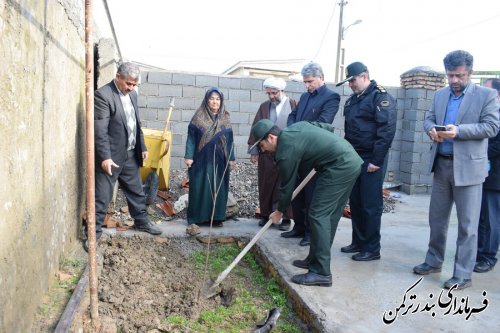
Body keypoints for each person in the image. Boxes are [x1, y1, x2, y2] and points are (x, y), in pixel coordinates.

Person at [413, 50, 500, 290]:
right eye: (450, 75)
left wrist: (458, 131)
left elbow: (492, 127)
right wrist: (431, 129)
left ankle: (463, 274)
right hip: (441, 165)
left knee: (467, 225)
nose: (453, 81)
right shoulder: (440, 95)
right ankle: (433, 261)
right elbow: (428, 119)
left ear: (470, 73)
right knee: (437, 219)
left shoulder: (487, 95)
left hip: (470, 169)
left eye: (459, 76)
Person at [250, 119, 362, 286]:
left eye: (261, 145)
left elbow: (286, 186)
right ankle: (315, 259)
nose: (262, 150)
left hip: (339, 166)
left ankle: (321, 272)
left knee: (318, 215)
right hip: (349, 160)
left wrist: (279, 211)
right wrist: (321, 151)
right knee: (329, 216)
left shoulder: (285, 150)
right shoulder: (294, 129)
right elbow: (326, 127)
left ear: (271, 138)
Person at [92, 62, 162, 250]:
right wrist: (105, 157)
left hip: (130, 153)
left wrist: (142, 146)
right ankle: (94, 233)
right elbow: (100, 131)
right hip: (111, 157)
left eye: (134, 84)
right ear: (118, 77)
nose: (131, 88)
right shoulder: (103, 96)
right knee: (102, 195)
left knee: (136, 191)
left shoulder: (133, 95)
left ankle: (142, 222)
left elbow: (135, 124)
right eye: (128, 83)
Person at [335, 62, 397, 261]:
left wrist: (377, 160)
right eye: (349, 81)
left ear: (365, 76)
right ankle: (358, 242)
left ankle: (371, 248)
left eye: (352, 80)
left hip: (372, 158)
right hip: (355, 157)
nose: (350, 84)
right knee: (356, 201)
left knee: (371, 204)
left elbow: (386, 131)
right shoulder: (354, 100)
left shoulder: (381, 97)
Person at [282, 62, 340, 247]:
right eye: (305, 82)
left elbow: (323, 123)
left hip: (314, 153)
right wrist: (292, 129)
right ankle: (298, 227)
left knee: (311, 194)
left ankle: (309, 233)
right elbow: (293, 115)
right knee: (297, 191)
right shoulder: (305, 97)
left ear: (321, 78)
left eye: (310, 81)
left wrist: (298, 132)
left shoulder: (331, 97)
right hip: (298, 151)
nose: (307, 85)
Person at [248, 78, 296, 230]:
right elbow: (255, 129)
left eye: (274, 93)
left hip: (287, 153)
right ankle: (265, 214)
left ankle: (287, 218)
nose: (271, 96)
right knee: (266, 184)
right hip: (267, 154)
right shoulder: (264, 107)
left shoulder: (294, 105)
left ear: (282, 91)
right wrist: (254, 151)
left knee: (286, 184)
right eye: (268, 93)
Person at [184, 87, 235, 227]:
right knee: (200, 186)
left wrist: (231, 158)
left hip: (220, 159)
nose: (215, 102)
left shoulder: (225, 117)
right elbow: (191, 139)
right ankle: (198, 218)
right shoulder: (198, 117)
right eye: (212, 98)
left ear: (221, 101)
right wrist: (189, 156)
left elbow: (230, 140)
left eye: (217, 99)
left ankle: (217, 218)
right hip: (201, 159)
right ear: (206, 100)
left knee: (218, 187)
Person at [475, 78, 500, 273]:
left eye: (488, 91)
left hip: (495, 176)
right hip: (482, 172)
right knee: (480, 217)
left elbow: (496, 145)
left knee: (491, 219)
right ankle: (478, 252)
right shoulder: (488, 113)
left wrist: (476, 151)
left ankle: (488, 257)